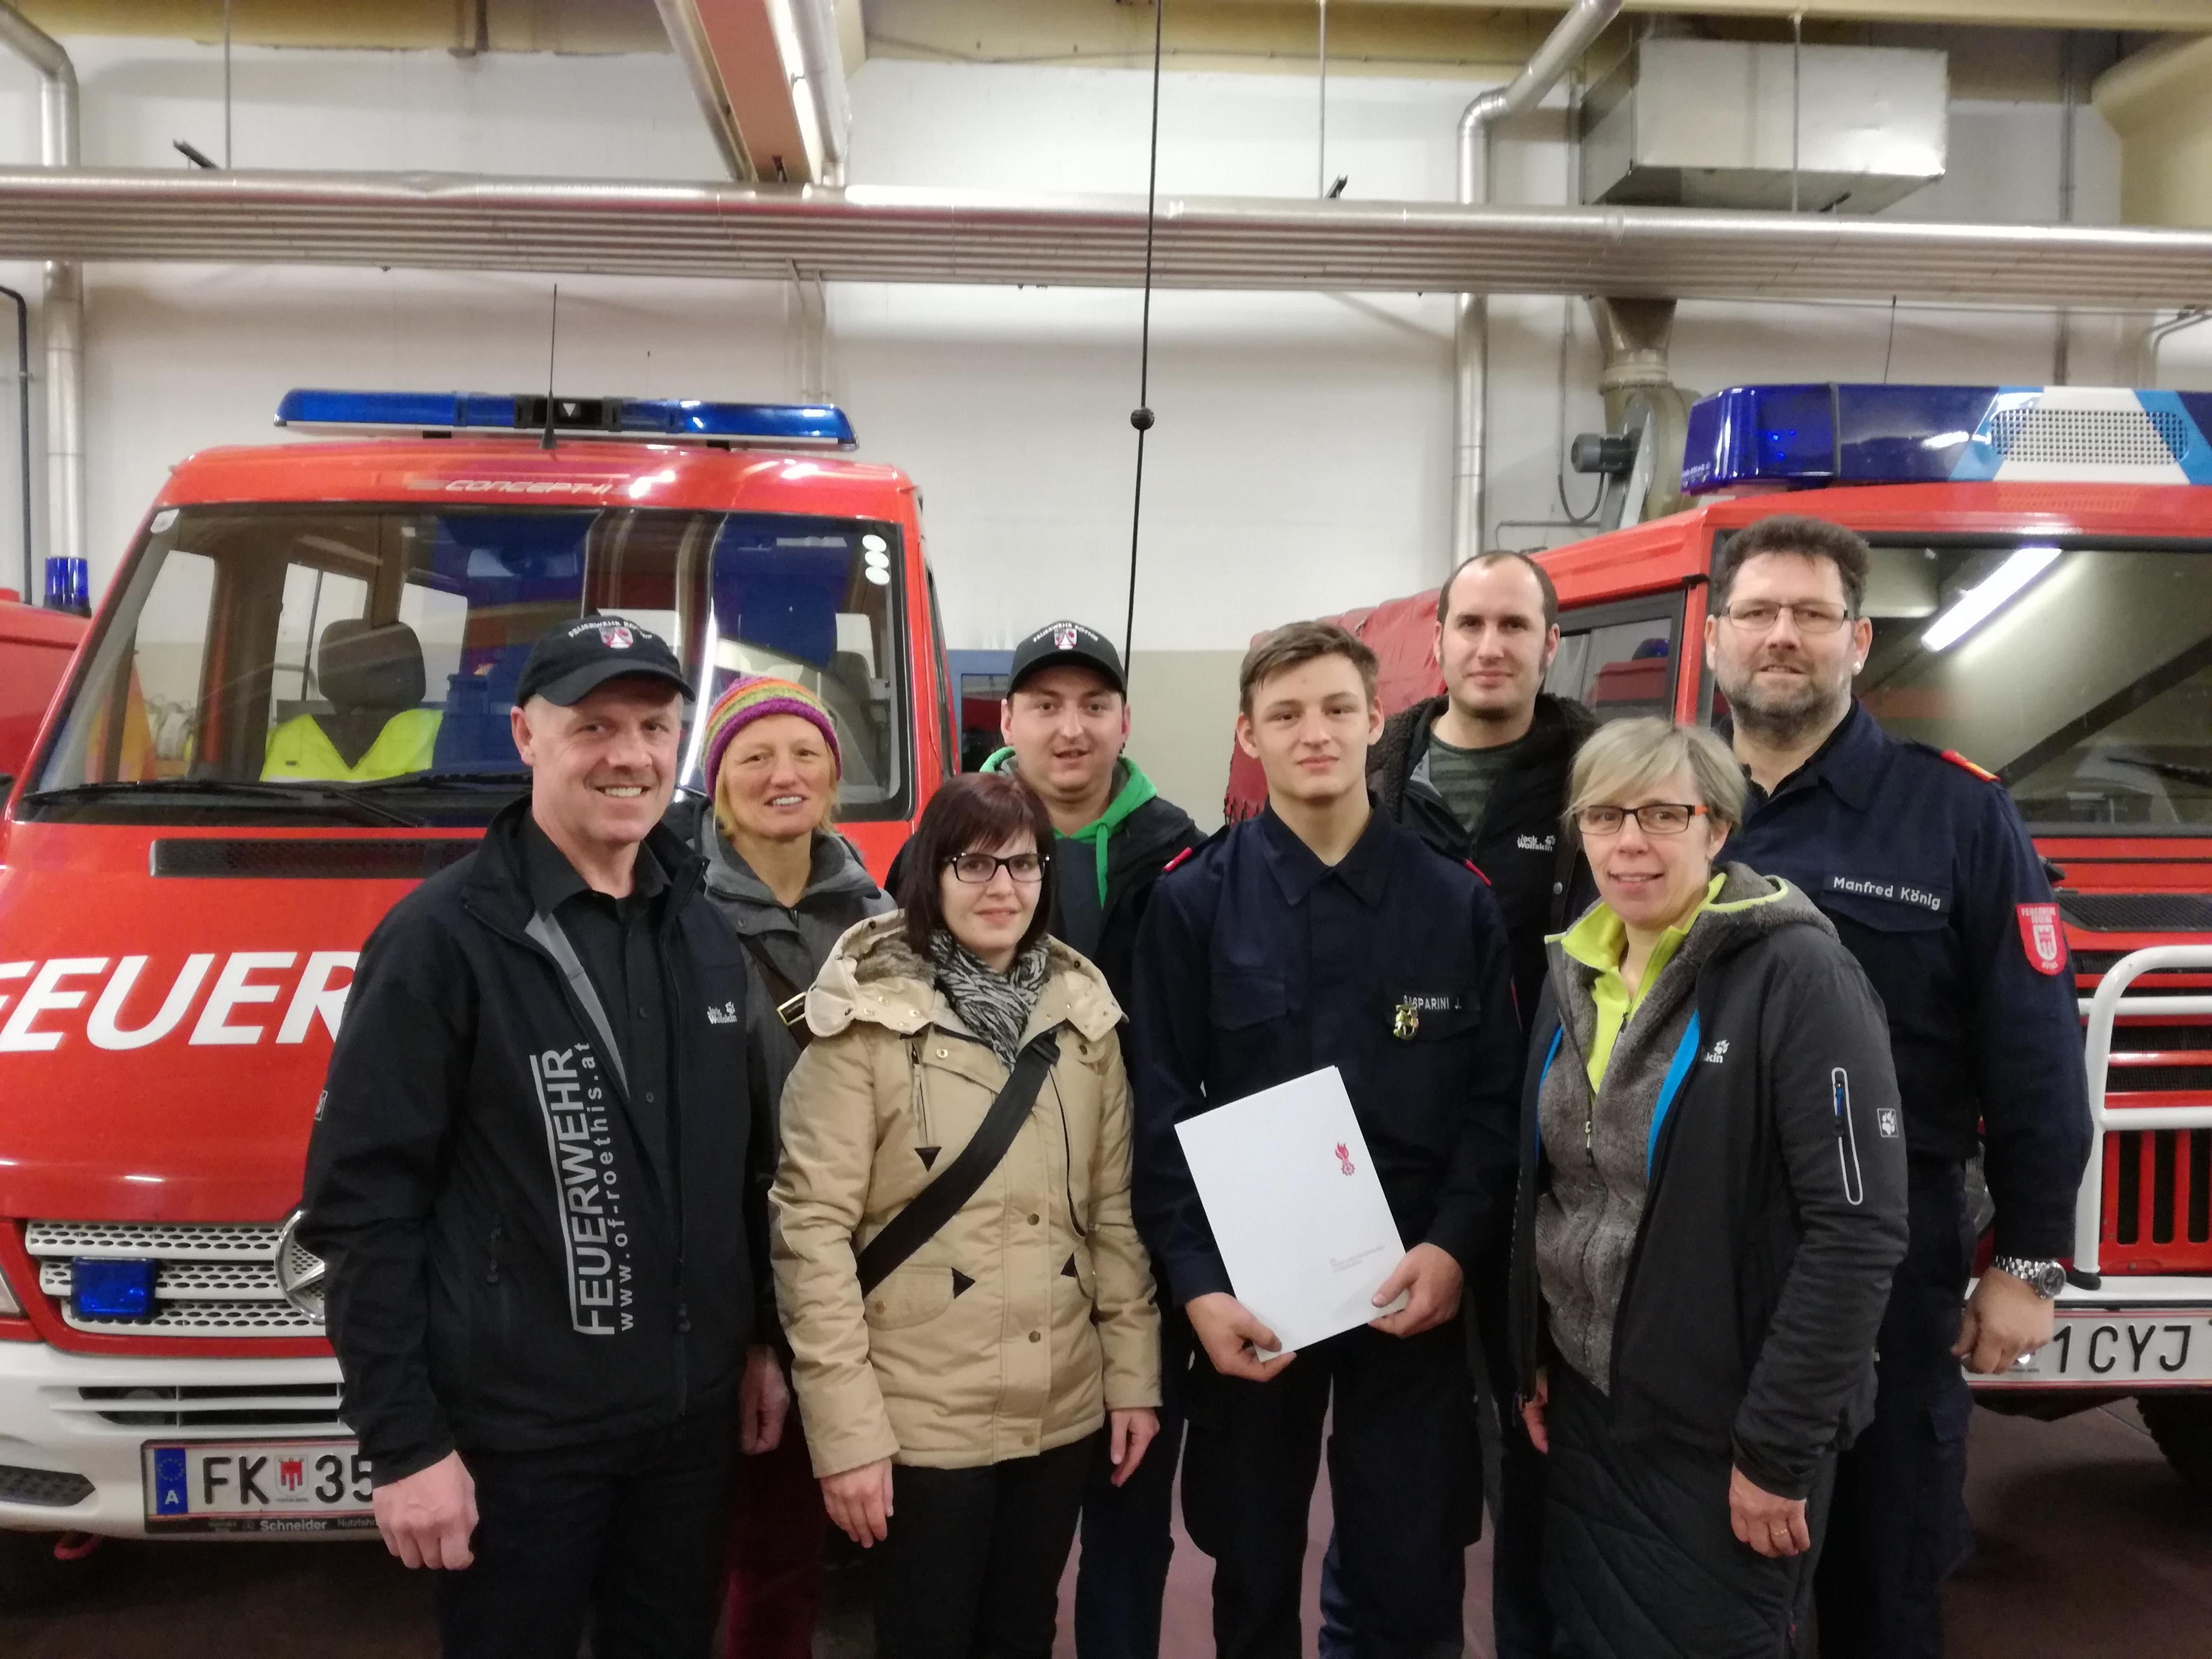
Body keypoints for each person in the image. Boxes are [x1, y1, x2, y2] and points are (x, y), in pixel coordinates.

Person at [300, 614, 767, 1659]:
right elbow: (363, 1211)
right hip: (520, 1443)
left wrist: (757, 1344)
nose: (630, 755)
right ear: (526, 735)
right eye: (593, 725)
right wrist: (404, 1442)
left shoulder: (702, 930)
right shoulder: (442, 941)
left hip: (687, 1432)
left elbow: (739, 1171)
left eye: (654, 726)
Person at [1704, 515, 2094, 1658]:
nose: (1782, 636)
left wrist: (2029, 1264)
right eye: (1757, 613)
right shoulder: (1661, 803)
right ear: (1716, 637)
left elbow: (2033, 1055)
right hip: (1690, 1249)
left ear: (1858, 640)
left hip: (1888, 1250)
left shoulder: (1957, 814)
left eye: (1810, 614)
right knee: (1699, 1574)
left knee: (1884, 1569)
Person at [1129, 620, 1523, 1659]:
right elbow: (1159, 1115)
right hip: (1256, 1300)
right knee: (1253, 1568)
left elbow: (1496, 1104)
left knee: (1413, 1572)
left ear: (1377, 719)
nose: (1316, 733)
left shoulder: (1455, 903)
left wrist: (1454, 1247)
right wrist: (1197, 1286)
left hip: (1414, 1288)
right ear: (1248, 735)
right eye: (1287, 714)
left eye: (1339, 708)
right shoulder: (1193, 903)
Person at [1511, 716, 1909, 1657]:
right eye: (1604, 816)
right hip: (1591, 1409)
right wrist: (1530, 1350)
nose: (1629, 842)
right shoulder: (1577, 969)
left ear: (1718, 828)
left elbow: (1858, 1230)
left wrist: (1776, 1450)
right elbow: (1555, 1184)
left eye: (1663, 814)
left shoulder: (1800, 975)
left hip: (1725, 1430)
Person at [772, 771, 1162, 1659]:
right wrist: (847, 1436)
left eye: (1022, 865)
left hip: (1058, 1408)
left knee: (1022, 1632)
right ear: (930, 876)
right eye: (973, 864)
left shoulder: (1083, 1021)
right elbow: (811, 1236)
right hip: (920, 1421)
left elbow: (1112, 1217)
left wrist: (1133, 1378)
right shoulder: (864, 1023)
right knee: (927, 1636)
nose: (1002, 887)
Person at [890, 616, 1203, 1659]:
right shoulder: (937, 844)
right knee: (967, 1554)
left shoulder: (1184, 854)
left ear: (1125, 720)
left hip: (1130, 1219)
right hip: (962, 1257)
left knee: (1127, 1505)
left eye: (1093, 706)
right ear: (1008, 720)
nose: (1071, 729)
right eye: (1046, 706)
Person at [1351, 548, 1594, 1659]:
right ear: (1437, 642)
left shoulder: (1597, 779)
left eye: (1514, 626)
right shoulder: (1374, 778)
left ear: (1551, 646)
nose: (1490, 647)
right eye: (1470, 625)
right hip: (1397, 1170)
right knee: (1392, 1483)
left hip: (1555, 1173)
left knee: (1538, 1466)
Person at [678, 674, 893, 1659]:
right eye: (754, 756)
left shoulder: (883, 924)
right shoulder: (675, 919)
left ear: (833, 777)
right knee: (698, 1551)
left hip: (853, 1280)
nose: (783, 774)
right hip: (721, 1285)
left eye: (806, 753)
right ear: (718, 782)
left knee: (791, 1551)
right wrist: (755, 1327)